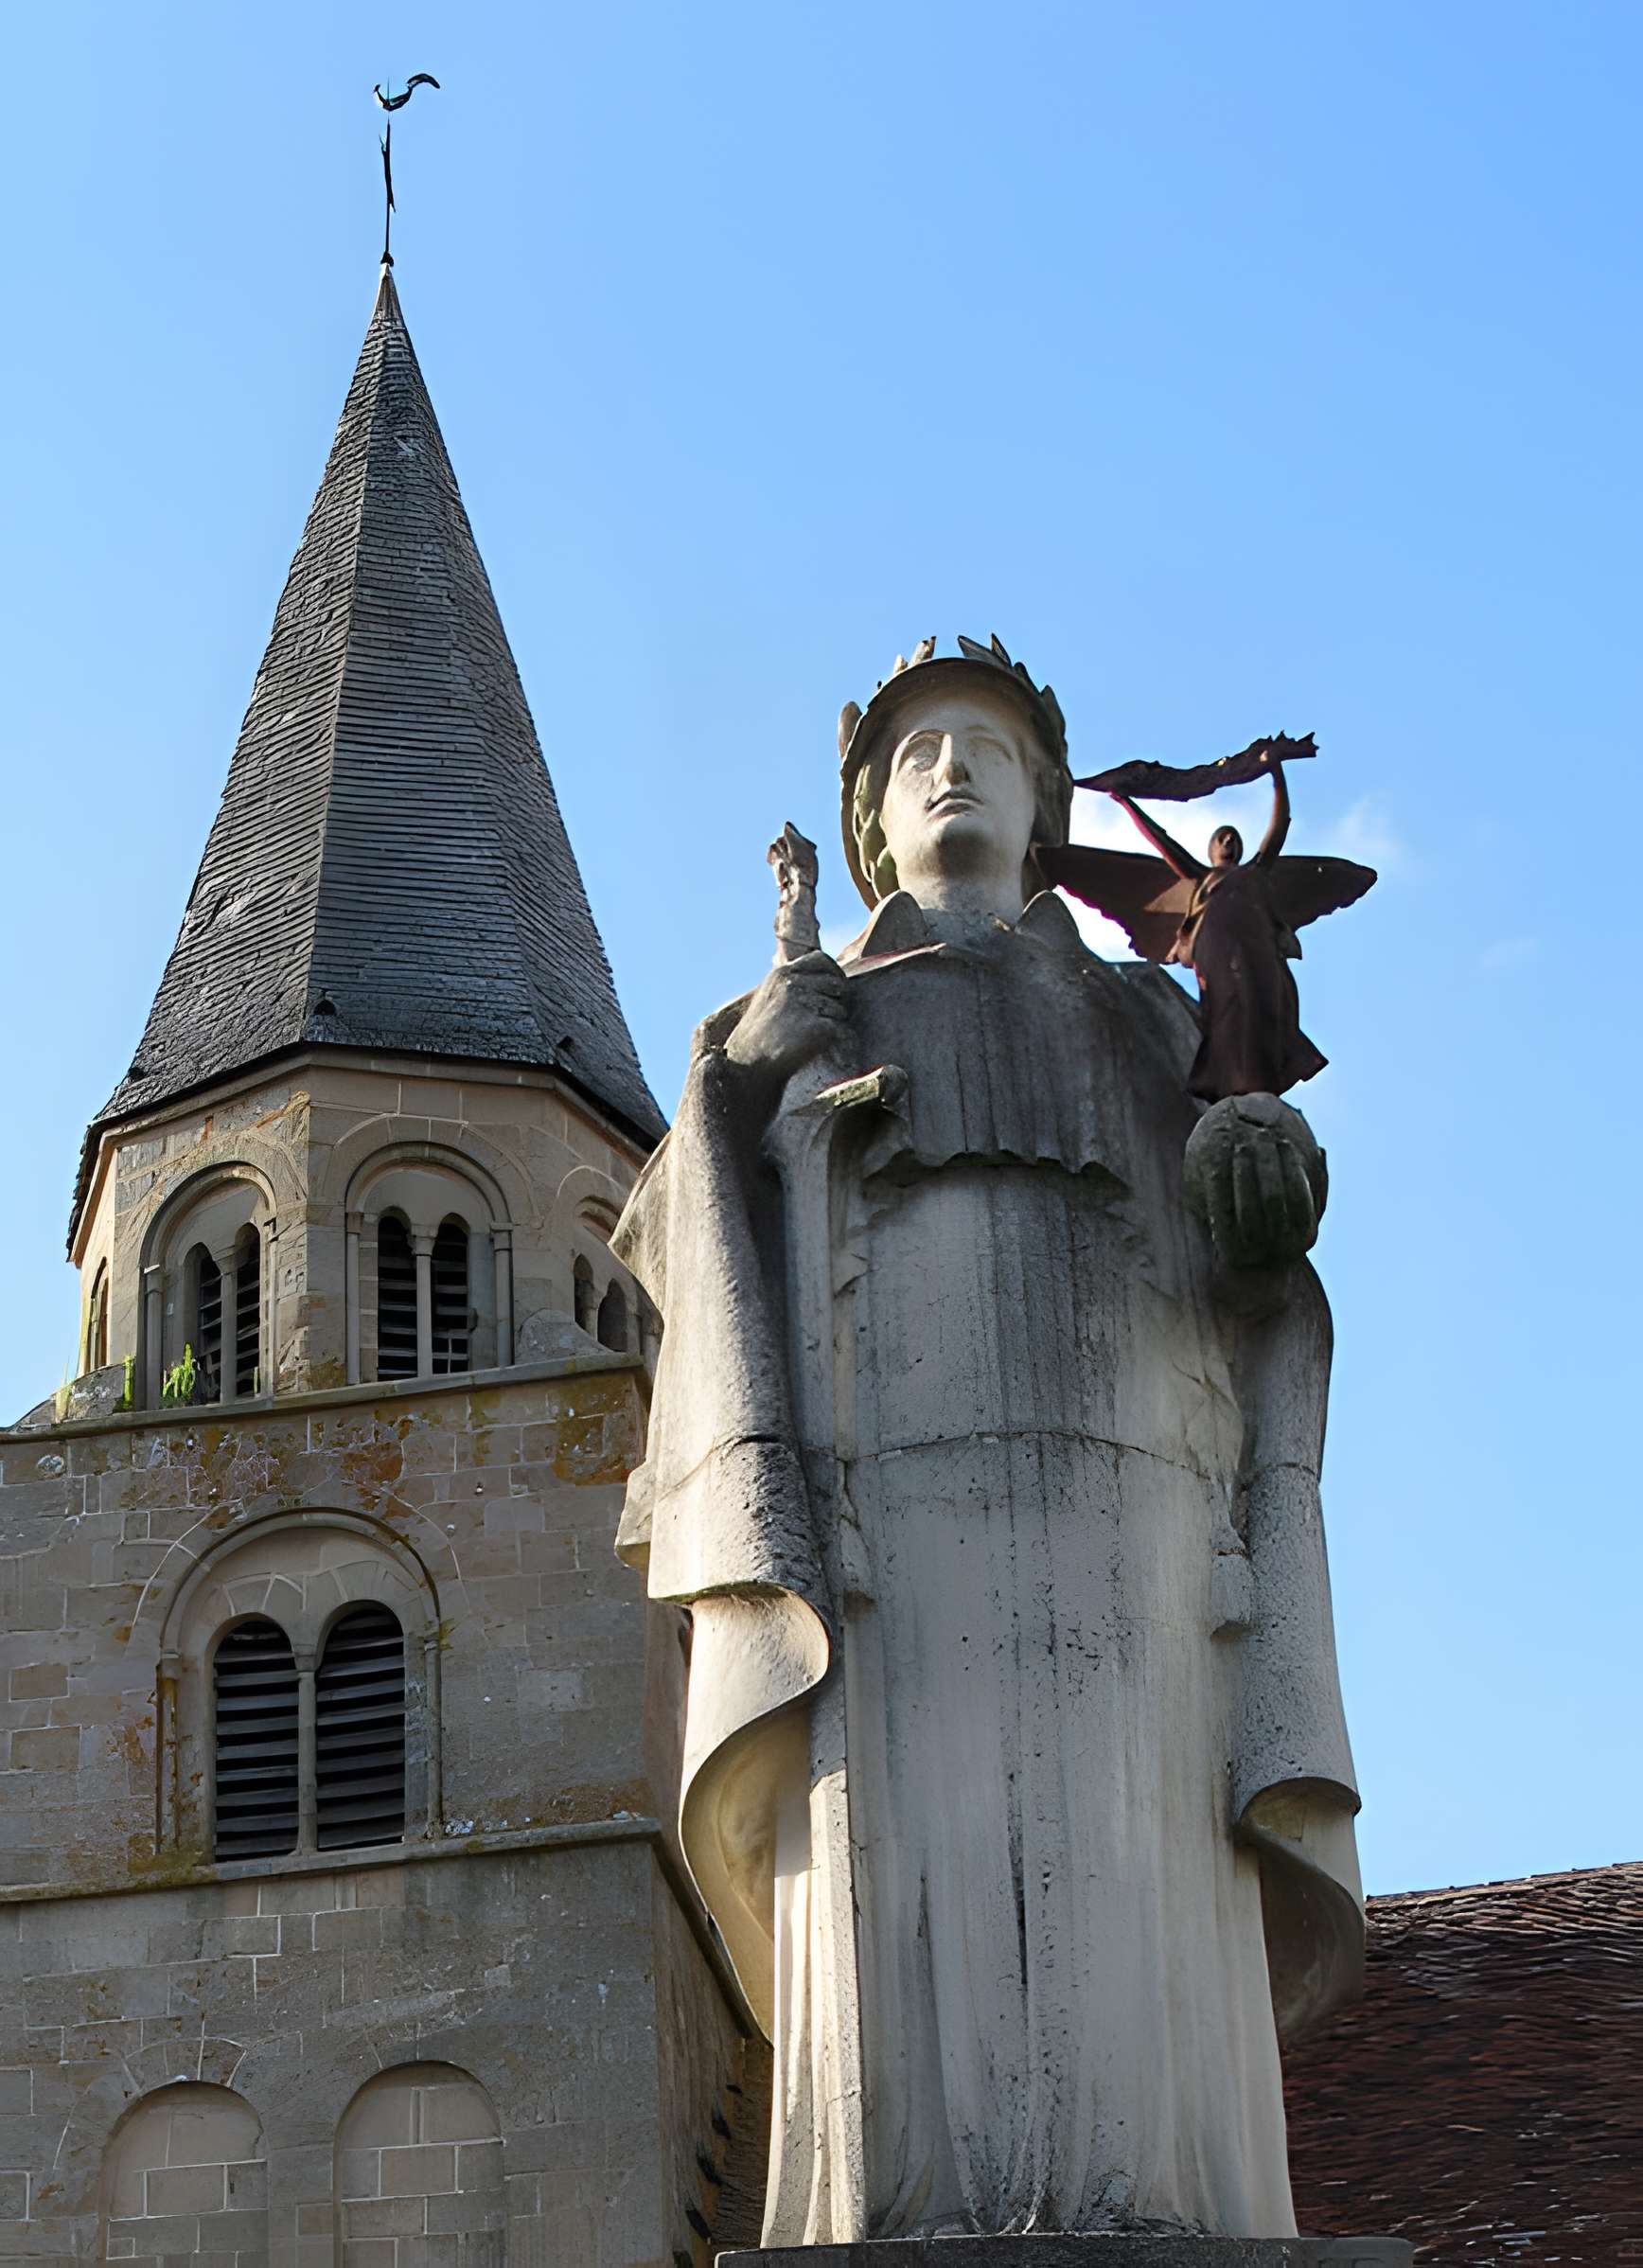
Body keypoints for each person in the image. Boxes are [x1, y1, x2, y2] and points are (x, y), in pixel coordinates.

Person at [612, 639, 1363, 2244]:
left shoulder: (1150, 1027)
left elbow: (1255, 1270)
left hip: (1138, 1510)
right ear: (873, 822)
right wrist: (738, 1092)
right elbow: (665, 1260)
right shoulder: (795, 1017)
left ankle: (1160, 2193)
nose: (953, 769)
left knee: (1131, 1851)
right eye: (915, 754)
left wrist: (1264, 1194)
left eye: (993, 750)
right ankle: (912, 2193)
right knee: (912, 1857)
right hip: (888, 1531)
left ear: (1044, 807)